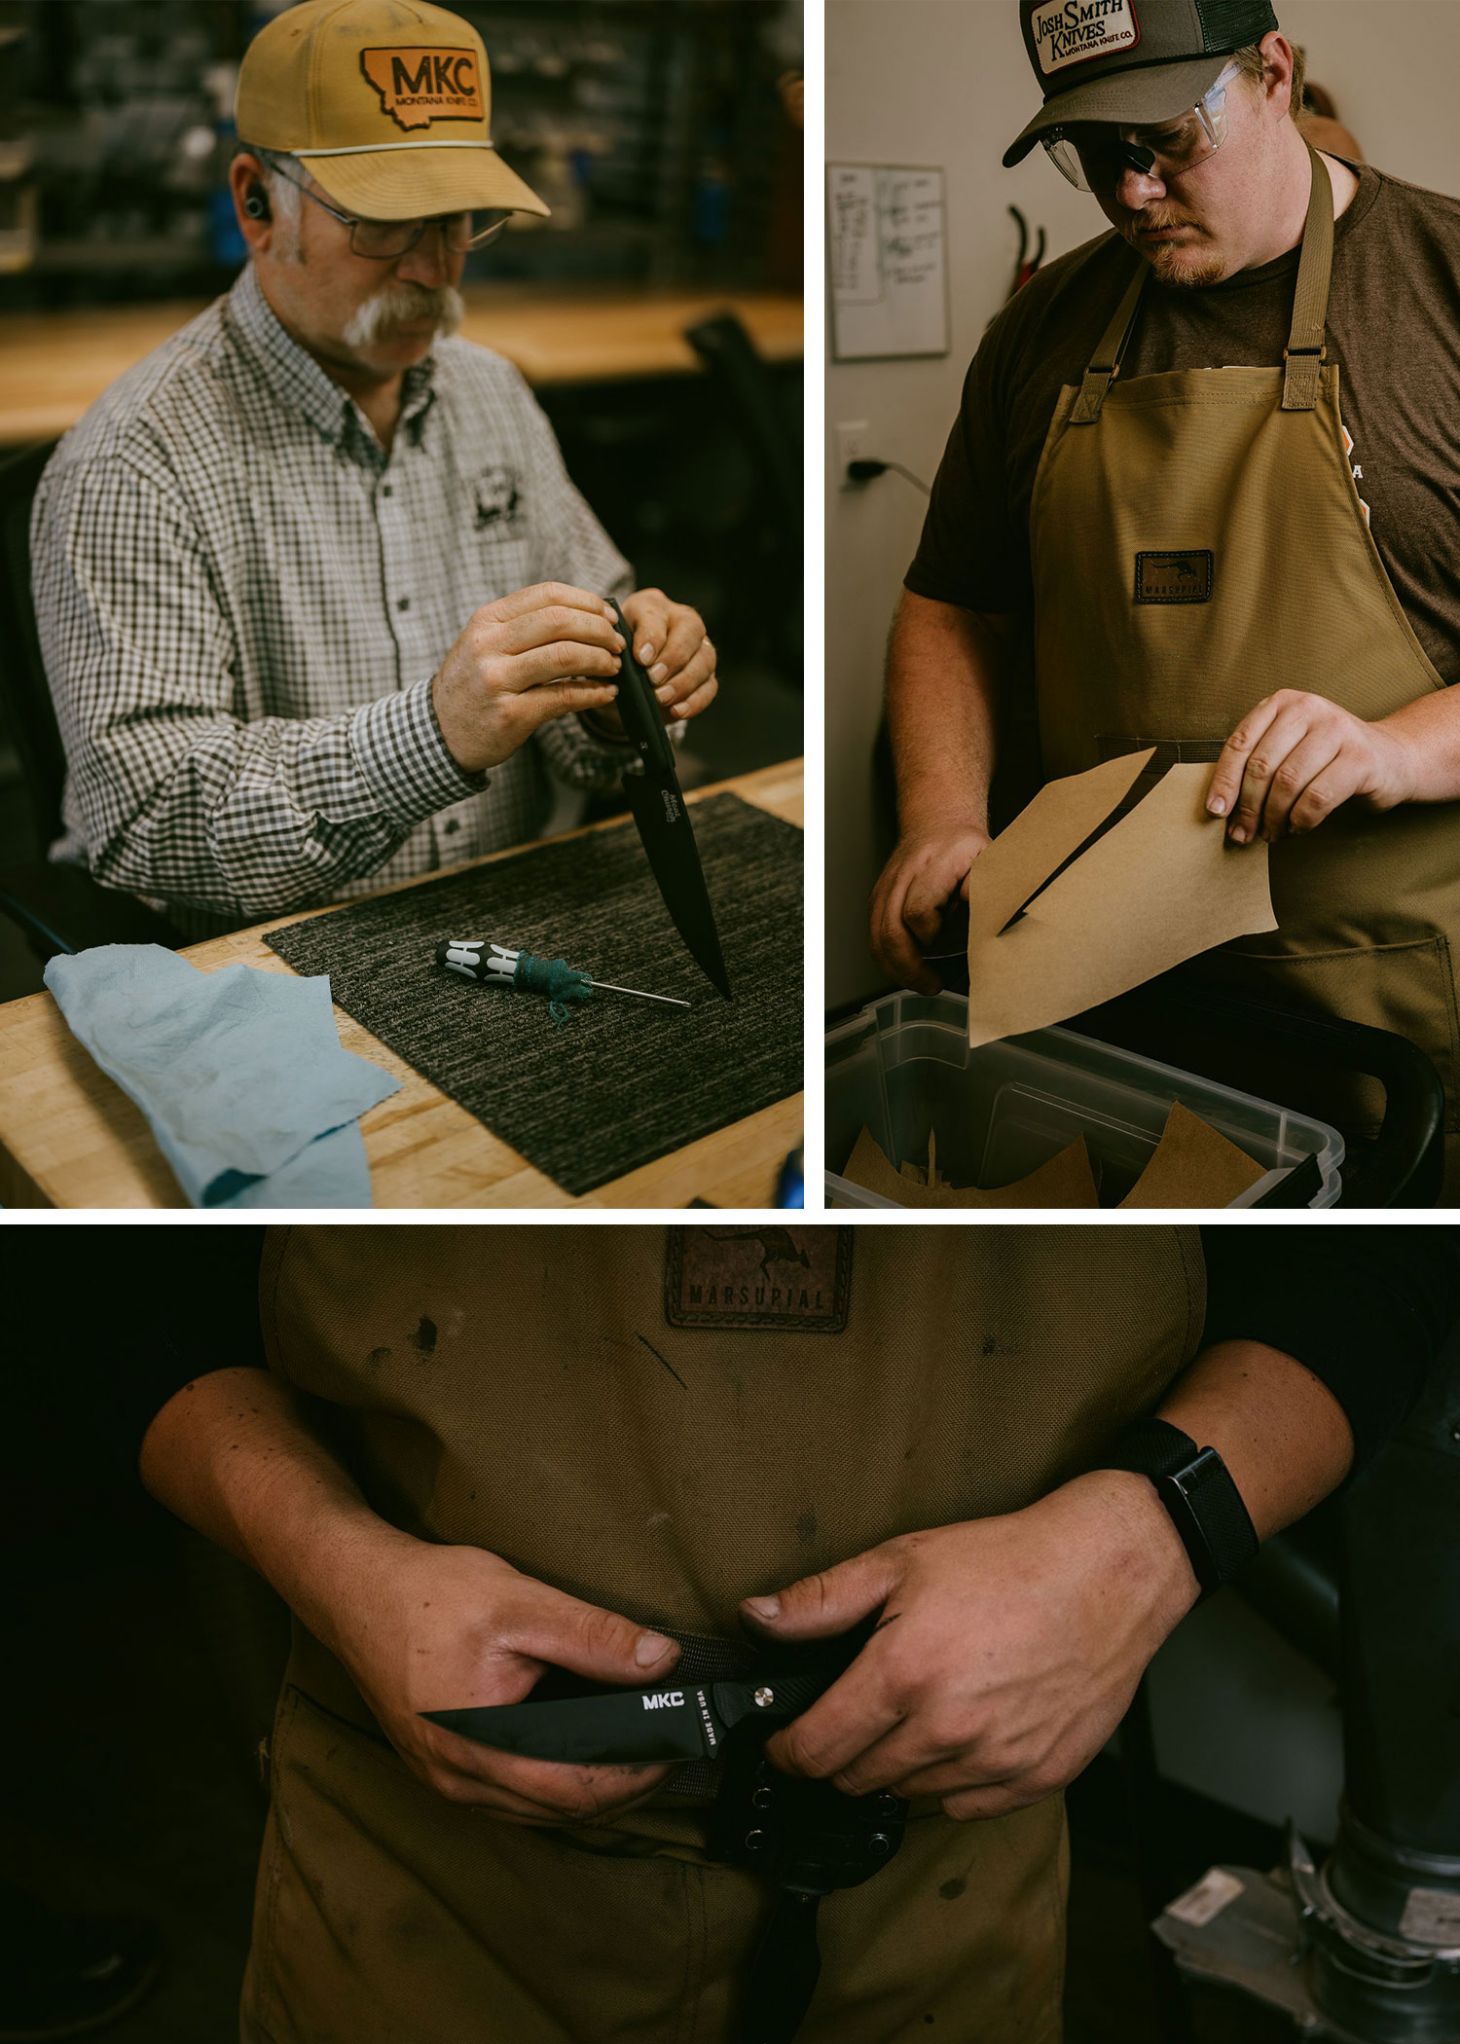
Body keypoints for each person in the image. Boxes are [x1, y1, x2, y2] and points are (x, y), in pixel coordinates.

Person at [135, 1224, 1457, 2042]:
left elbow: (1386, 1253)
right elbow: (118, 1289)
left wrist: (1148, 1543)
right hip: (435, 1896)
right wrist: (333, 1558)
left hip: (946, 1897)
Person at [871, 0, 1460, 1196]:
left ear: (1274, 76)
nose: (1128, 191)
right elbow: (953, 605)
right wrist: (939, 816)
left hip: (1393, 1025)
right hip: (1110, 1019)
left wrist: (1395, 748)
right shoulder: (1040, 332)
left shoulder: (1440, 293)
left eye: (1164, 140)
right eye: (1092, 154)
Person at [31, 0, 718, 938]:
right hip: (276, 967)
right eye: (384, 224)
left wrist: (620, 695)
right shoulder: (134, 462)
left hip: (517, 916)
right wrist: (429, 739)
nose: (435, 271)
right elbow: (145, 818)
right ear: (256, 204)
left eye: (458, 220)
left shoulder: (492, 395)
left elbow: (592, 699)